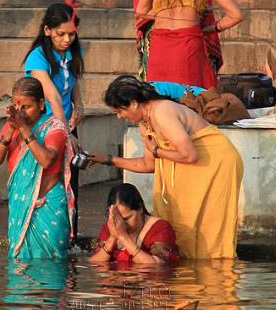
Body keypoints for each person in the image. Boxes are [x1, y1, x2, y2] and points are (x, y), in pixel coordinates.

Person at [90, 76, 243, 259]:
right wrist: (107, 159)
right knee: (183, 224)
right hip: (195, 166)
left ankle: (214, 276)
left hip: (216, 163)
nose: (119, 117)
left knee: (209, 229)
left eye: (120, 111)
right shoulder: (144, 123)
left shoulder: (161, 111)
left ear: (133, 103)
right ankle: (188, 278)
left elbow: (189, 155)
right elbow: (149, 164)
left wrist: (157, 150)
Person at [0, 77, 74, 259]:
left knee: (51, 267)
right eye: (16, 107)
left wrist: (23, 128)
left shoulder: (54, 127)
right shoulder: (11, 127)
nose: (20, 112)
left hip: (49, 207)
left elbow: (47, 160)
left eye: (26, 107)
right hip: (20, 206)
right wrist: (10, 130)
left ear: (41, 104)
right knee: (19, 266)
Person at [23, 3, 84, 238]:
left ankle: (71, 238)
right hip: (47, 129)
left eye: (71, 33)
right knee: (49, 184)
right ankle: (46, 236)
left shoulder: (72, 51)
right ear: (47, 30)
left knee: (72, 184)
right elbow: (54, 97)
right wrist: (67, 136)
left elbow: (75, 82)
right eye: (61, 34)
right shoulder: (37, 57)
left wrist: (79, 107)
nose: (67, 39)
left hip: (68, 124)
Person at [90, 183, 178, 264]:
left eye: (126, 218)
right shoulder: (111, 226)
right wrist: (112, 238)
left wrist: (123, 237)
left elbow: (156, 266)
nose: (121, 224)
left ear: (140, 208)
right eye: (117, 219)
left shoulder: (160, 228)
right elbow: (94, 263)